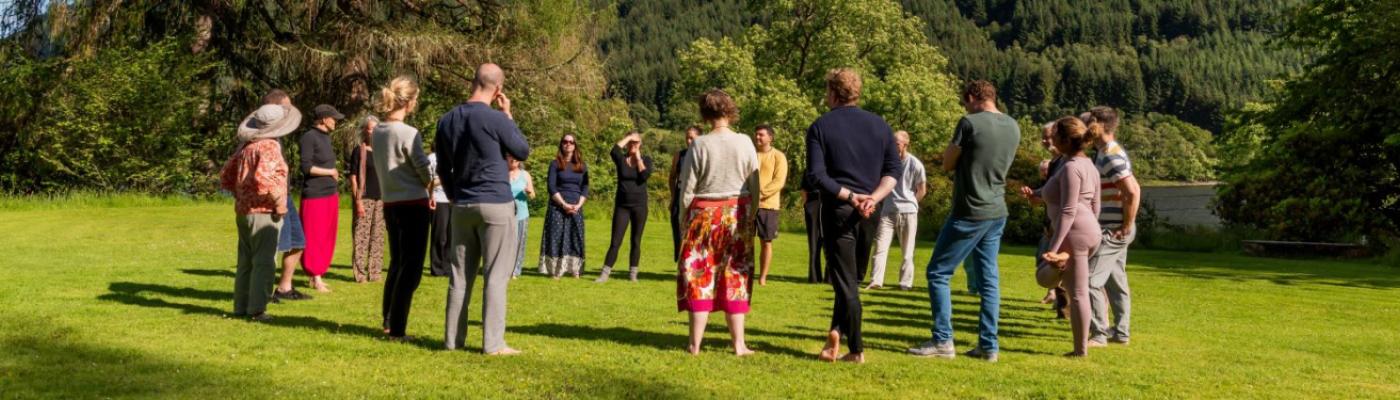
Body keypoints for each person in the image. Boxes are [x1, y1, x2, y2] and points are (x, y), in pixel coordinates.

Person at [908, 80, 1019, 363]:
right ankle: (988, 345)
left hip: (969, 210)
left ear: (971, 98)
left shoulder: (968, 123)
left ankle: (943, 340)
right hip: (997, 210)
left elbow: (947, 163)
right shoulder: (1013, 126)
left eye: (965, 102)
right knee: (989, 279)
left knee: (938, 272)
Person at [436, 63, 532, 355]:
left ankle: (453, 341)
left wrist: (454, 197)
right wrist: (508, 115)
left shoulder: (447, 119)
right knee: (496, 275)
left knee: (459, 277)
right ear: (498, 89)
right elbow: (522, 151)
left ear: (474, 81)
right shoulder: (495, 118)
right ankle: (492, 344)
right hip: (495, 203)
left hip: (462, 204)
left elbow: (442, 166)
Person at [806, 68, 900, 364]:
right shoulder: (881, 126)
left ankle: (856, 348)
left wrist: (850, 196)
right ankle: (834, 332)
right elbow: (893, 172)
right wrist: (872, 197)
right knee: (850, 278)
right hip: (871, 210)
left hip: (839, 208)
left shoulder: (820, 126)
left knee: (845, 281)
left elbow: (817, 176)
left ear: (833, 93)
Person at [676, 88, 759, 356]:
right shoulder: (745, 141)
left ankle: (694, 344)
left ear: (705, 113)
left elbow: (687, 189)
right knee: (736, 274)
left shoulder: (699, 144)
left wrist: (682, 221)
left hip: (703, 215)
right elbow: (754, 183)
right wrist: (753, 214)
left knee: (699, 275)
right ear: (730, 110)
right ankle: (739, 345)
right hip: (737, 213)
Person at [1026, 116, 1103, 357]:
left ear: (1065, 140)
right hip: (1088, 230)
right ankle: (1080, 349)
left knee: (1076, 292)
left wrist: (1055, 246)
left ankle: (1080, 351)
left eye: (1055, 135)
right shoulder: (1087, 164)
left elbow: (1069, 210)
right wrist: (1037, 194)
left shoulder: (1070, 167)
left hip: (1074, 232)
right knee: (1065, 286)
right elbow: (1095, 205)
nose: (1051, 139)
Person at [221, 102, 300, 321]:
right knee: (264, 262)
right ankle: (257, 310)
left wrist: (240, 194)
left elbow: (225, 175)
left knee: (246, 261)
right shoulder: (269, 146)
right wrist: (279, 203)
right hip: (264, 211)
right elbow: (264, 178)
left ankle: (241, 306)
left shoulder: (246, 147)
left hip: (243, 211)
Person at [372, 76, 434, 341]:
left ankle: (388, 320)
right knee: (411, 269)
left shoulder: (378, 130)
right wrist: (434, 179)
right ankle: (397, 329)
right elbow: (423, 169)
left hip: (390, 203)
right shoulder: (408, 133)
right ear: (408, 102)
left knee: (397, 263)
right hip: (413, 204)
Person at [1084, 106, 1140, 347]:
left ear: (1097, 125)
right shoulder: (1107, 152)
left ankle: (1099, 334)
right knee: (1115, 282)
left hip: (1113, 229)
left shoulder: (1109, 155)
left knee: (1089, 280)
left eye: (1087, 122)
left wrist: (1126, 225)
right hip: (1114, 227)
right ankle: (1121, 332)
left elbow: (1133, 190)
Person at [256, 90, 312, 302]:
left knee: (298, 241)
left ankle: (284, 287)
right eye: (286, 108)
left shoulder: (277, 137)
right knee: (272, 246)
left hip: (285, 195)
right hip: (271, 199)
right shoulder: (261, 138)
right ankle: (263, 291)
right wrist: (274, 200)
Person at [866, 130, 926, 291]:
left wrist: (913, 203)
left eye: (897, 144)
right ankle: (876, 281)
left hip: (908, 211)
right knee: (880, 246)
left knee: (907, 250)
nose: (893, 146)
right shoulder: (886, 162)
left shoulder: (915, 164)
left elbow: (922, 189)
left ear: (906, 144)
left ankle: (905, 283)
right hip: (888, 210)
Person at [298, 104, 346, 293]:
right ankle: (315, 275)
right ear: (324, 119)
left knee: (327, 235)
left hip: (329, 193)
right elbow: (306, 167)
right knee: (314, 235)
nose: (335, 121)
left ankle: (318, 274)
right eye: (333, 118)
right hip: (315, 194)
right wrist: (330, 171)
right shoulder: (309, 137)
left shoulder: (325, 138)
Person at [597, 131, 654, 283]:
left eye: (636, 143)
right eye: (631, 143)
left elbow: (644, 176)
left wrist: (638, 157)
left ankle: (633, 275)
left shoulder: (646, 160)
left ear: (640, 144)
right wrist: (629, 137)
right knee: (615, 241)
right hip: (622, 206)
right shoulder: (621, 160)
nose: (633, 145)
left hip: (640, 207)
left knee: (636, 241)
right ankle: (604, 274)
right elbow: (613, 150)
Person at [540, 134, 589, 279]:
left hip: (576, 206)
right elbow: (551, 186)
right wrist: (563, 204)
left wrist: (578, 204)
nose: (568, 144)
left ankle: (574, 269)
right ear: (561, 145)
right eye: (565, 142)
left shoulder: (582, 165)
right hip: (558, 206)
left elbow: (585, 187)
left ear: (575, 145)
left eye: (571, 142)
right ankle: (556, 271)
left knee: (575, 238)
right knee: (557, 237)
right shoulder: (555, 164)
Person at [349, 115, 387, 283]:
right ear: (365, 131)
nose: (373, 132)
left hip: (382, 199)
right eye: (371, 128)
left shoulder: (383, 152)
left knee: (378, 238)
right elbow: (353, 178)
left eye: (376, 129)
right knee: (361, 237)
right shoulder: (359, 151)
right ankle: (360, 274)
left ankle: (375, 273)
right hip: (364, 198)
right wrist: (357, 201)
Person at [753, 124, 788, 286]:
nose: (758, 137)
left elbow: (779, 181)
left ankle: (762, 277)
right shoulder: (750, 155)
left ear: (770, 137)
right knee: (744, 241)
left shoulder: (778, 156)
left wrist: (761, 194)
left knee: (766, 242)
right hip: (748, 204)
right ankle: (744, 272)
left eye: (761, 135)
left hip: (768, 205)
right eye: (756, 135)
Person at [670, 126, 702, 263]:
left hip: (697, 195)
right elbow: (672, 177)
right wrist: (673, 197)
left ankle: (695, 261)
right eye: (687, 138)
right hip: (680, 193)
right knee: (677, 229)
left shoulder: (703, 155)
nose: (689, 141)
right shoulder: (680, 155)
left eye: (692, 138)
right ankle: (680, 261)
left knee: (695, 231)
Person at [508, 156, 536, 278]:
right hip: (504, 214)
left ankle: (516, 270)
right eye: (510, 156)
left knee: (519, 243)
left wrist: (529, 192)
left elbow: (533, 195)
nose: (513, 159)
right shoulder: (501, 174)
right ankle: (504, 269)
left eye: (515, 157)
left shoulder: (525, 175)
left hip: (521, 214)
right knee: (505, 243)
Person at [427, 151, 451, 277]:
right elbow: (426, 182)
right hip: (439, 199)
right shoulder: (432, 158)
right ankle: (436, 267)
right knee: (440, 235)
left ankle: (447, 267)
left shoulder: (457, 154)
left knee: (451, 236)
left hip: (454, 200)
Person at [802, 174, 825, 283]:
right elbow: (804, 188)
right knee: (813, 242)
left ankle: (830, 277)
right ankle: (814, 276)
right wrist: (806, 204)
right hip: (812, 202)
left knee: (830, 241)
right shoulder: (810, 168)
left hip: (829, 201)